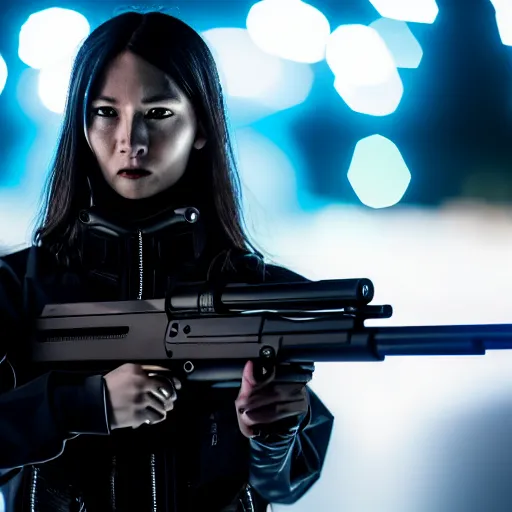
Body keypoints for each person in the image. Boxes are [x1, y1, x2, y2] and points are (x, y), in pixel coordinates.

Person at [0, 10, 334, 512]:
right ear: (80, 124)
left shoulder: (252, 292)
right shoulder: (19, 286)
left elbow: (279, 487)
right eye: (105, 111)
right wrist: (88, 403)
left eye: (158, 114)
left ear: (202, 126)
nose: (130, 141)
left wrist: (273, 434)